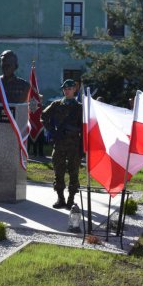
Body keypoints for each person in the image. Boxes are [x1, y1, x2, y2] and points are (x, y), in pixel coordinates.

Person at [41, 79, 82, 210]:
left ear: (74, 89)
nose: (67, 91)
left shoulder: (79, 107)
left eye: (69, 88)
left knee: (73, 172)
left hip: (74, 144)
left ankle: (71, 199)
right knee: (58, 172)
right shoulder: (56, 104)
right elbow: (43, 116)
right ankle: (60, 198)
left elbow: (84, 127)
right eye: (65, 89)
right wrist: (52, 131)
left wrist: (74, 131)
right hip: (59, 143)